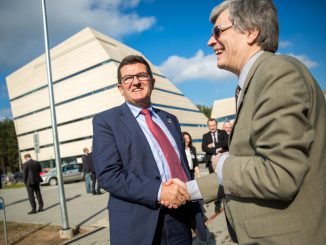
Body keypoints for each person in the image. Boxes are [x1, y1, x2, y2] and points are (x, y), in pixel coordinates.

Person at [166, 0, 326, 244]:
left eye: (218, 32)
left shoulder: (275, 72)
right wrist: (189, 190)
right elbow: (249, 166)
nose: (210, 41)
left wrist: (222, 163)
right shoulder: (257, 79)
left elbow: (279, 174)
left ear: (251, 31)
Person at [92, 55, 206, 244]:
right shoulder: (106, 122)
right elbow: (108, 175)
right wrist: (159, 191)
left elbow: (182, 168)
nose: (135, 82)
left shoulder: (170, 120)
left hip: (180, 219)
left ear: (152, 82)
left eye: (141, 76)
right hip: (139, 225)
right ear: (120, 88)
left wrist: (195, 209)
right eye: (128, 78)